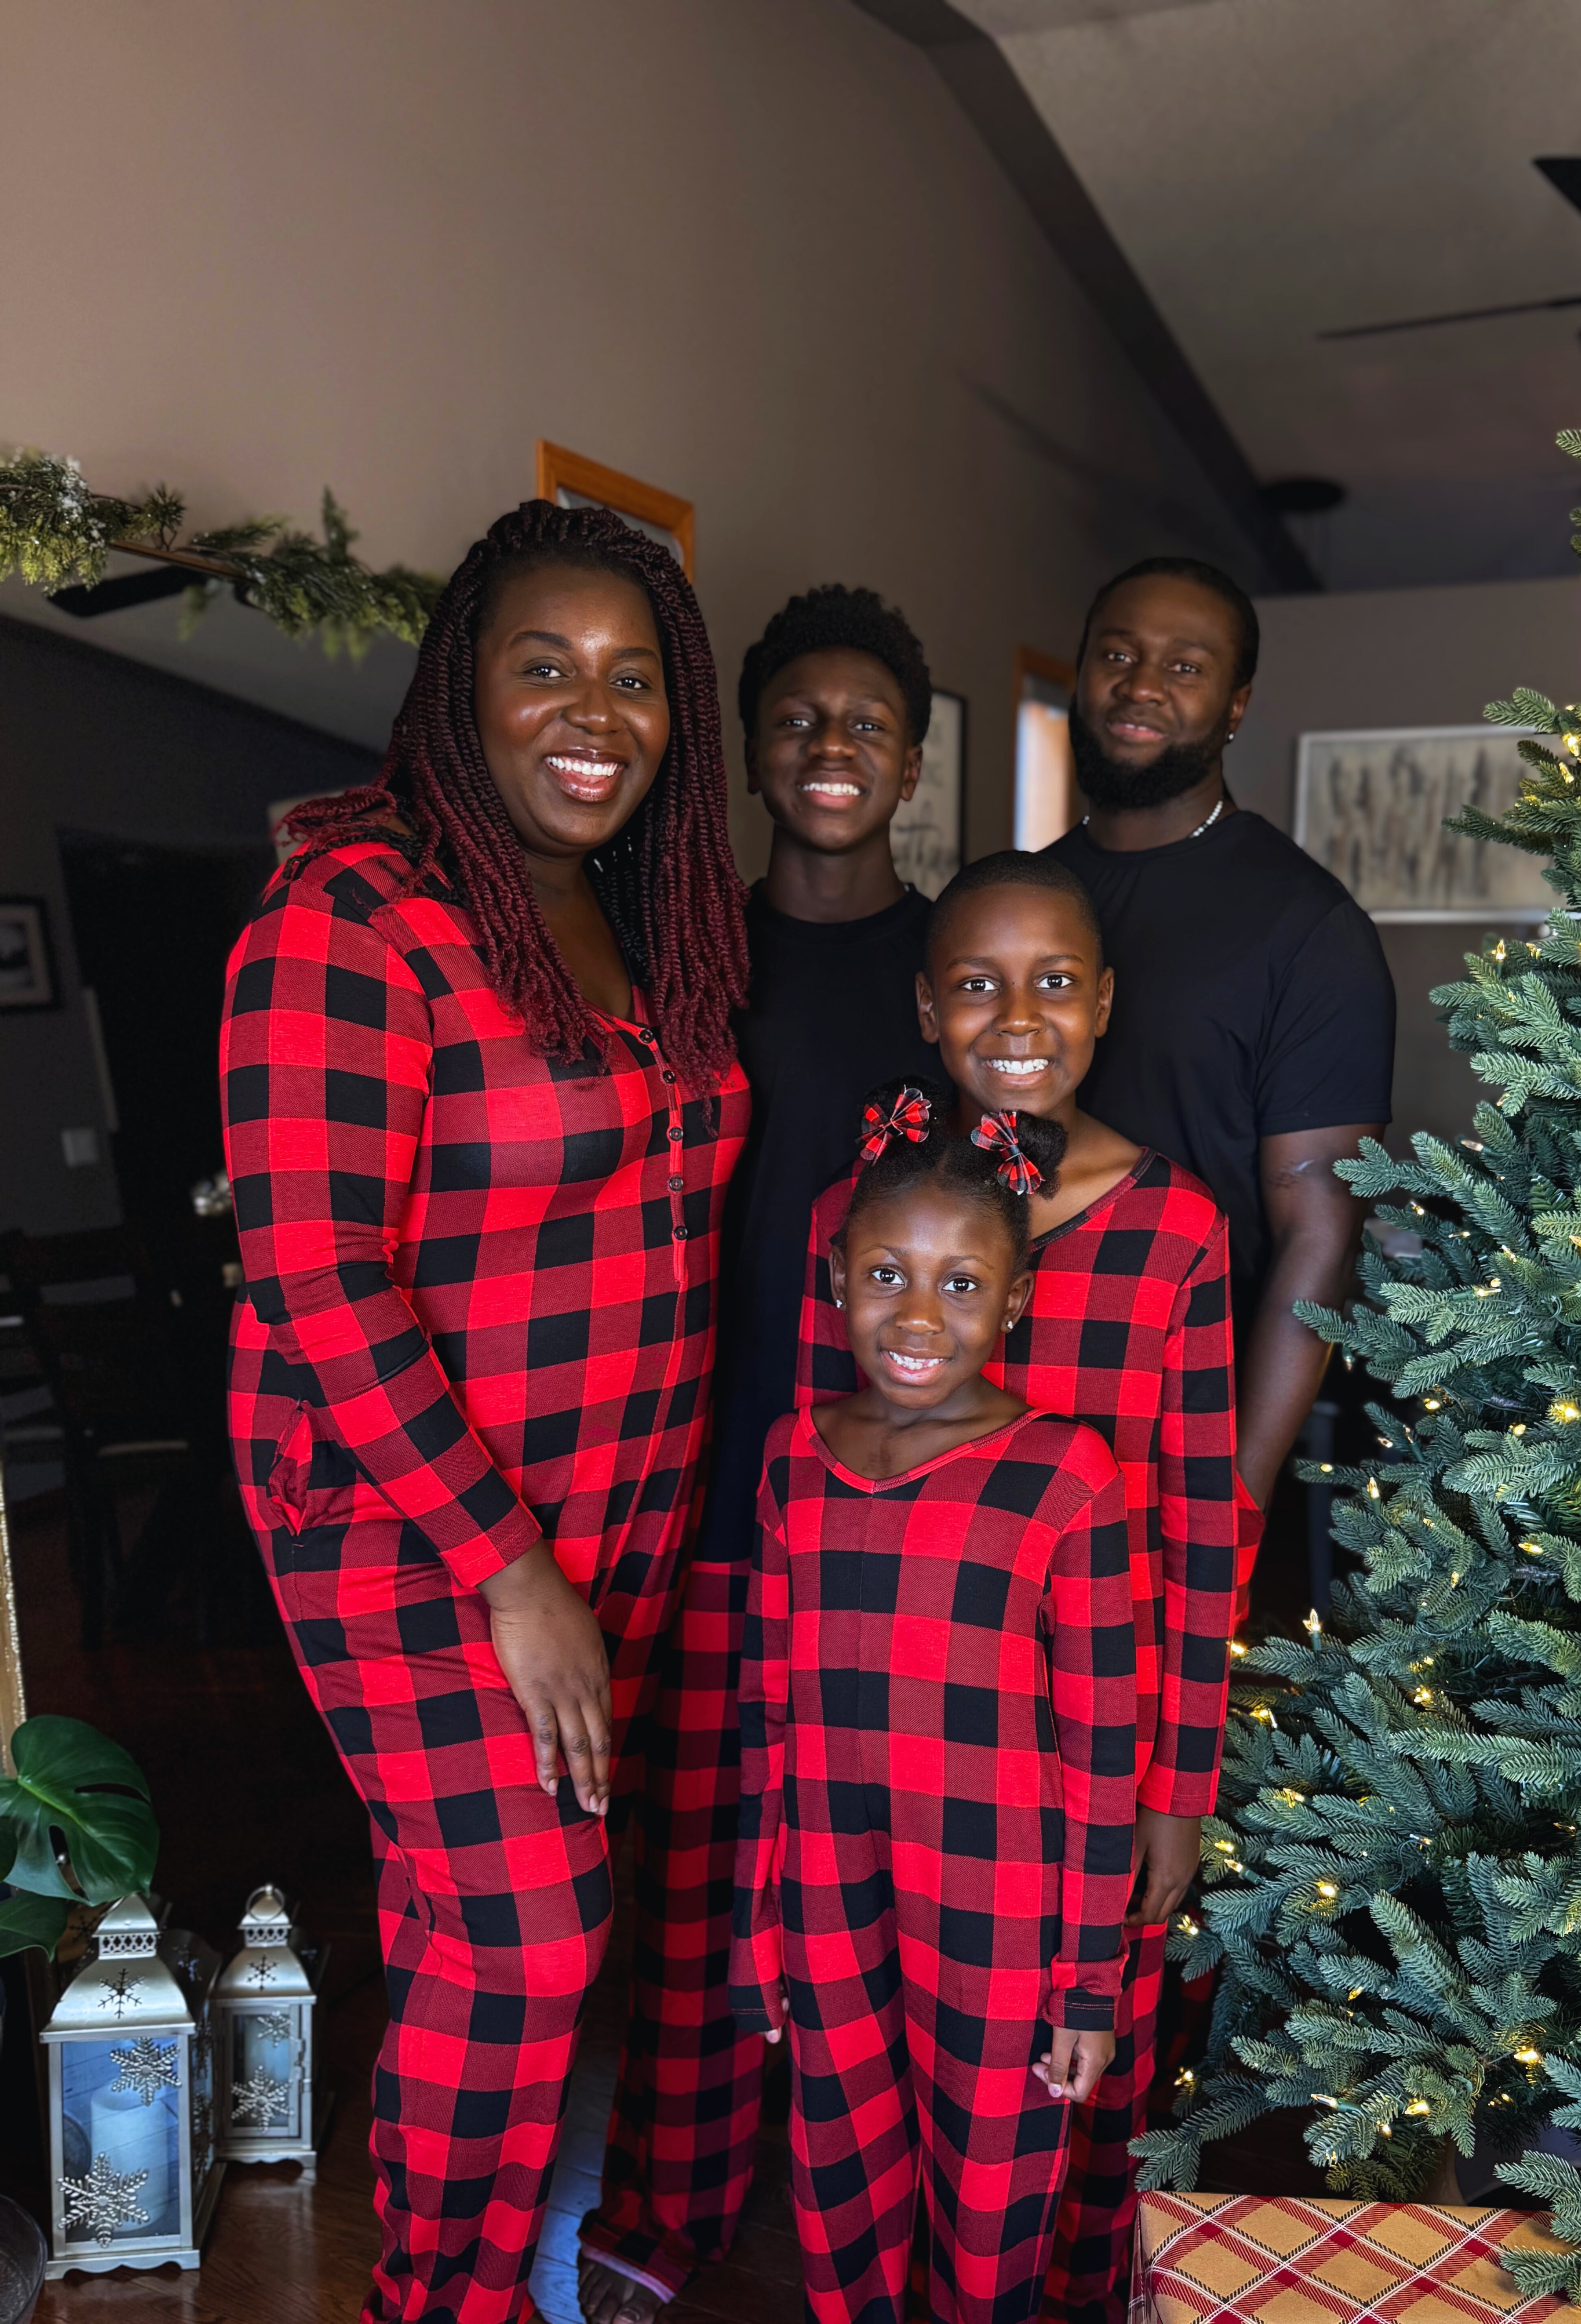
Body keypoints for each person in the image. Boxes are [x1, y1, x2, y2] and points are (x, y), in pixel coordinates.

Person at [220, 499, 749, 2324]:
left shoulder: (636, 908)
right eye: (545, 666)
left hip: (622, 1512)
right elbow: (317, 1272)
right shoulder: (353, 910)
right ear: (466, 688)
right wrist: (513, 1568)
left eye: (634, 678)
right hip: (414, 1520)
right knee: (527, 1939)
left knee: (490, 1922)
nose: (590, 713)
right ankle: (431, 2302)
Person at [796, 855, 1239, 2324]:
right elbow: (811, 1507)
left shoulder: (1173, 1234)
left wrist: (1174, 1790)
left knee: (1050, 2102)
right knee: (867, 2116)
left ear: (1104, 1005)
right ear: (928, 1010)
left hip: (1067, 1785)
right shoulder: (857, 1220)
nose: (1017, 1017)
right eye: (977, 984)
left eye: (1053, 983)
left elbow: (1195, 1526)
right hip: (877, 1776)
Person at [579, 585, 940, 2321]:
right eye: (796, 719)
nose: (830, 751)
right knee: (701, 1880)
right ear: (747, 757)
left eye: (866, 722)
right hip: (704, 1487)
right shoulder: (682, 955)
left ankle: (871, 2200)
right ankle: (670, 2200)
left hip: (895, 1506)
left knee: (875, 1873)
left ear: (915, 760)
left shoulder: (962, 973)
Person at [733, 1092, 1136, 2324]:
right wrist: (762, 1936)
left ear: (1012, 1302)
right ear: (838, 1279)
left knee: (992, 2198)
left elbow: (1103, 1752)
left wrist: (1085, 1990)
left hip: (1004, 1920)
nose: (917, 1317)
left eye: (961, 1285)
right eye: (885, 1276)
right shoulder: (794, 1456)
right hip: (828, 1903)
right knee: (839, 2174)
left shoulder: (1065, 1474)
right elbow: (768, 1725)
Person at [1046, 555, 1395, 1529]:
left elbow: (1318, 1233)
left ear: (1236, 706)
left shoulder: (1308, 928)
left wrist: (1238, 1487)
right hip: (994, 1395)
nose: (1141, 684)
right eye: (1116, 653)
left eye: (1185, 666)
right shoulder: (1019, 899)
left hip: (1175, 1428)